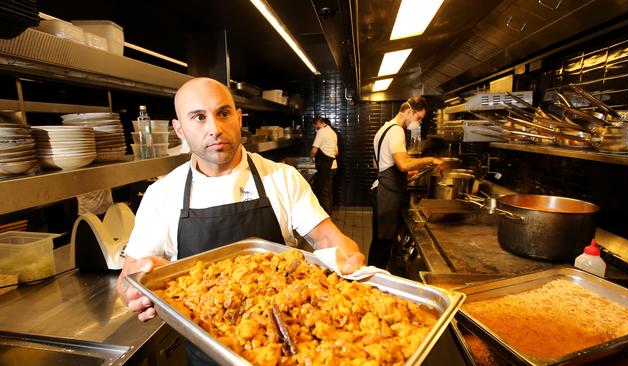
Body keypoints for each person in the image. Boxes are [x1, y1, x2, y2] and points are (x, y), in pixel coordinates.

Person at [116, 77, 365, 366]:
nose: (215, 128)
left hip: (288, 348)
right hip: (206, 356)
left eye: (223, 113)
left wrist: (348, 258)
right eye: (199, 117)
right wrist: (137, 289)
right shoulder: (162, 195)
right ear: (179, 129)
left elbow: (327, 239)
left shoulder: (282, 178)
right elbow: (127, 279)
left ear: (238, 117)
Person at [368, 96, 443, 269]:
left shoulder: (384, 129)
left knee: (379, 243)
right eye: (419, 118)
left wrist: (404, 176)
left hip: (382, 190)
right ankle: (373, 285)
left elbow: (379, 164)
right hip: (387, 195)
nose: (418, 122)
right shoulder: (397, 131)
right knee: (382, 246)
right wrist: (430, 160)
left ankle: (371, 279)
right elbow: (402, 164)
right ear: (409, 111)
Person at [310, 116, 338, 215]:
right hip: (333, 166)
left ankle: (326, 216)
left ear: (318, 123)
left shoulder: (321, 132)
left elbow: (314, 150)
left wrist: (310, 159)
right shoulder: (332, 132)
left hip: (326, 166)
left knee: (323, 192)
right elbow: (336, 152)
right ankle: (329, 214)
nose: (315, 127)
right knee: (328, 191)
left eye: (315, 125)